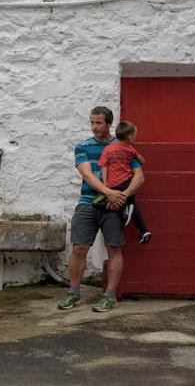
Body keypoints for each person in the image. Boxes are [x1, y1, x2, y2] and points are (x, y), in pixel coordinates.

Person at [57, 107, 144, 312]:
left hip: (114, 204)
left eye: (99, 123)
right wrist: (109, 191)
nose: (95, 127)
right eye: (92, 123)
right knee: (79, 247)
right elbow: (87, 175)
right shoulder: (83, 146)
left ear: (109, 124)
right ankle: (73, 293)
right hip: (88, 202)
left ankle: (110, 296)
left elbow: (139, 177)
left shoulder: (122, 146)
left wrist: (121, 196)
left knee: (114, 248)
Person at [93, 121, 152, 244]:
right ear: (130, 137)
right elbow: (142, 160)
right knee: (132, 204)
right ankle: (143, 229)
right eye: (135, 135)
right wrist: (133, 158)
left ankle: (124, 208)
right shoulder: (131, 150)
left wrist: (105, 184)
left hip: (113, 185)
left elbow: (103, 166)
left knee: (96, 203)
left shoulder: (108, 149)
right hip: (127, 183)